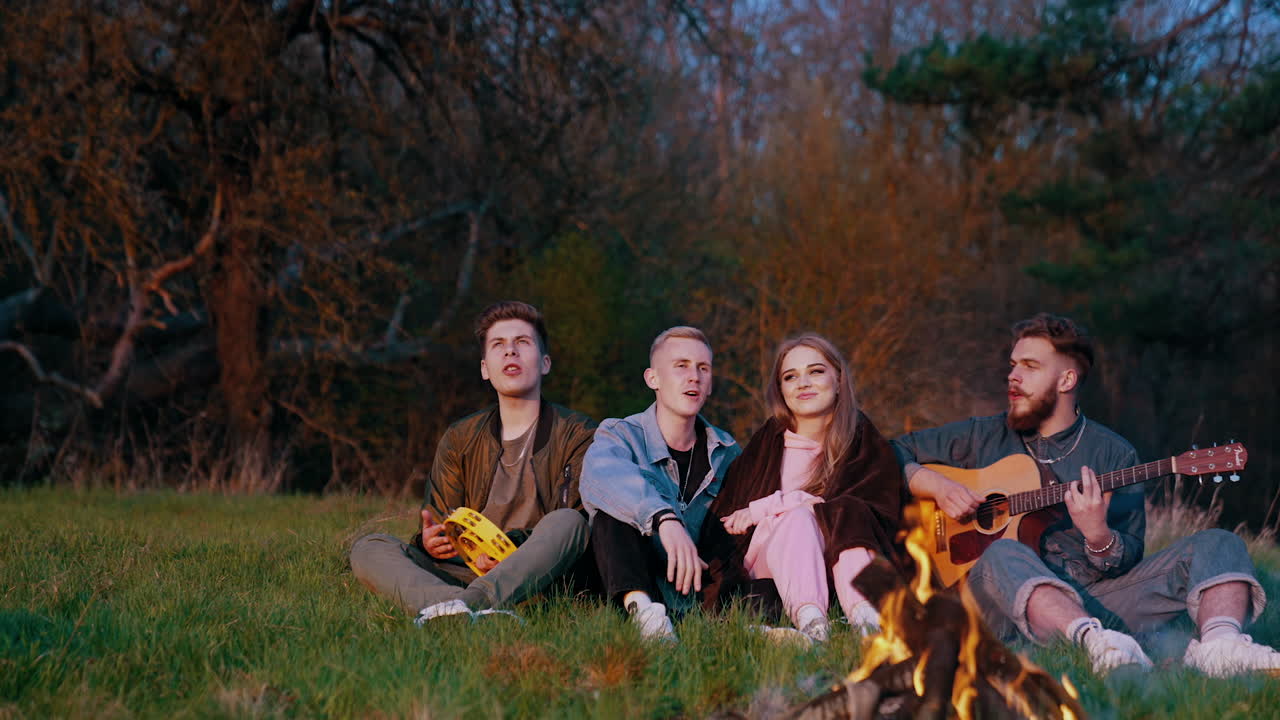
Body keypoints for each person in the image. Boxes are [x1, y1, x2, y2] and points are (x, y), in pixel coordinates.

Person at [893, 312, 1280, 676]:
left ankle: (1221, 647)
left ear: (1066, 381)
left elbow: (1127, 556)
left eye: (1030, 367)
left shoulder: (1114, 455)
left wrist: (1098, 537)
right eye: (1013, 364)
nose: (1013, 376)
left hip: (1095, 601)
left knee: (1219, 543)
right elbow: (888, 451)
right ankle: (1096, 646)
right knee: (1004, 552)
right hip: (991, 603)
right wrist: (938, 486)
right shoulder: (983, 435)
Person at [349, 301, 596, 624]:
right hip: (462, 571)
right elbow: (443, 525)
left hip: (536, 577)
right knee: (370, 546)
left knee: (568, 522)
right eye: (499, 345)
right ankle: (459, 606)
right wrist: (430, 543)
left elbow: (576, 526)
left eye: (522, 343)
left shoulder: (580, 433)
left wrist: (507, 548)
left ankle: (461, 607)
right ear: (484, 368)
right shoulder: (460, 437)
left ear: (545, 363)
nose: (510, 352)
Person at [699, 334, 904, 644]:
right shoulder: (768, 441)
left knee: (848, 513)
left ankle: (867, 622)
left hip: (840, 558)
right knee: (798, 520)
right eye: (790, 376)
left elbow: (878, 512)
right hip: (768, 558)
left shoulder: (861, 440)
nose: (803, 383)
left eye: (816, 371)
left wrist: (783, 505)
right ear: (781, 391)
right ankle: (814, 623)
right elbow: (729, 521)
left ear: (838, 379)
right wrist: (781, 509)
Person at [580, 326, 740, 641]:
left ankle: (758, 622)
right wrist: (663, 518)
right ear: (653, 378)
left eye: (703, 368)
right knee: (611, 513)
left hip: (699, 587)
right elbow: (600, 475)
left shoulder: (727, 452)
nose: (694, 376)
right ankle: (647, 617)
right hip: (633, 580)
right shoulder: (620, 434)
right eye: (681, 366)